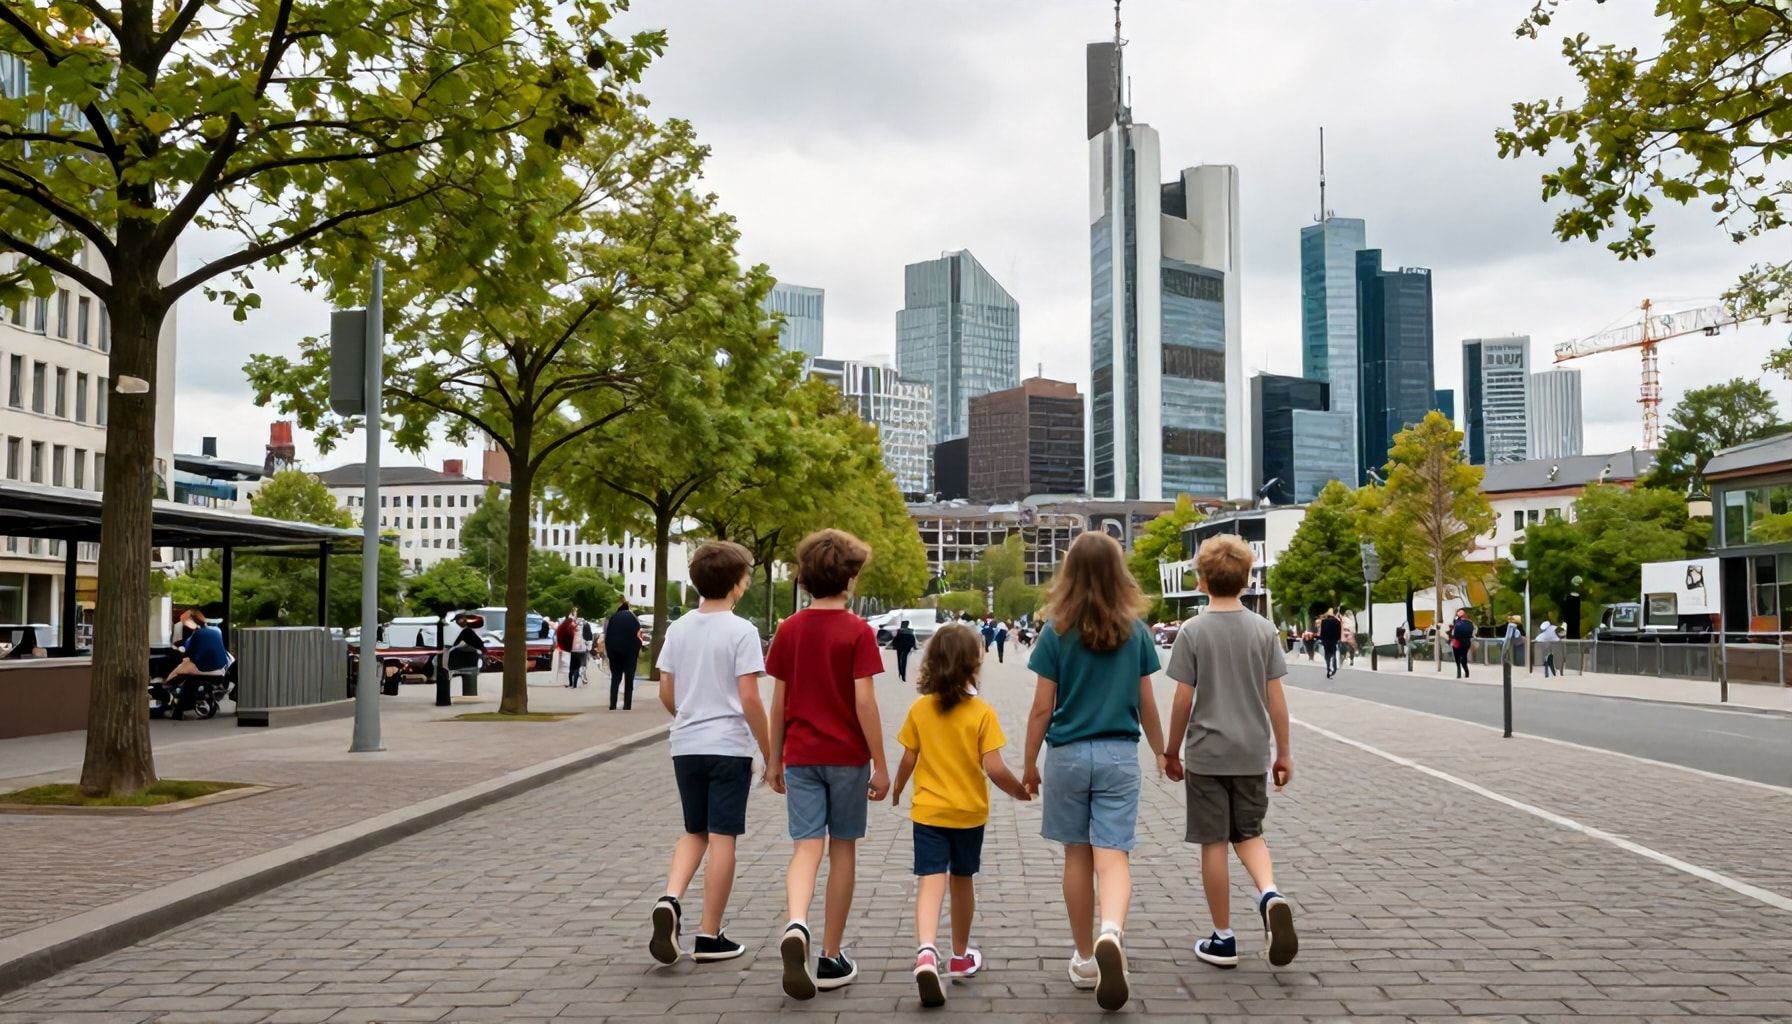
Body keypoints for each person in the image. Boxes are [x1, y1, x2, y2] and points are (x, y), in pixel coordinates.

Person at [1022, 532, 1168, 1012]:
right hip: (1119, 755)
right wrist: (1164, 751)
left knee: (1076, 857)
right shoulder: (1137, 630)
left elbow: (1042, 709)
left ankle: (1086, 957)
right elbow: (1146, 700)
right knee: (1114, 855)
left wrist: (1028, 763)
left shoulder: (1055, 630)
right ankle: (1112, 932)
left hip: (1066, 756)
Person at [1163, 535, 1299, 972]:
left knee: (1214, 844)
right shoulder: (1264, 630)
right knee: (1250, 833)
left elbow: (1183, 699)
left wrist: (1170, 750)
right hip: (1252, 751)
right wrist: (1284, 753)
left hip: (1206, 753)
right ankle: (1269, 893)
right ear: (1247, 580)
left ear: (1201, 581)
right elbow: (1276, 699)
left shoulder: (1193, 631)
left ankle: (1223, 937)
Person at [767, 529, 890, 999]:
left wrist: (774, 757)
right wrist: (880, 762)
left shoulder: (789, 629)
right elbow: (865, 702)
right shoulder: (858, 632)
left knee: (805, 848)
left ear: (803, 578)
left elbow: (778, 701)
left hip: (800, 755)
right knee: (843, 850)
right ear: (852, 577)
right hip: (846, 758)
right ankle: (831, 956)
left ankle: (797, 923)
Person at [890, 623, 1029, 1008]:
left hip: (929, 811)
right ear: (973, 665)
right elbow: (995, 768)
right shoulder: (982, 712)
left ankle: (925, 952)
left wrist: (899, 788)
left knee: (930, 881)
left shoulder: (920, 709)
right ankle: (960, 955)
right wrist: (1018, 790)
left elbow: (908, 756)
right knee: (963, 880)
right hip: (968, 813)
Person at [648, 541, 771, 967]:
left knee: (693, 831)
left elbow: (667, 689)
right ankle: (708, 933)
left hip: (685, 744)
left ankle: (670, 898)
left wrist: (686, 716)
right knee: (722, 838)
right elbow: (750, 698)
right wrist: (770, 751)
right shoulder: (742, 632)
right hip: (728, 745)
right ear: (737, 585)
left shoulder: (679, 629)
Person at [166, 609, 231, 720]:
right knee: (193, 680)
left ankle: (176, 706)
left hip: (202, 667)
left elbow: (188, 650)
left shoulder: (196, 634)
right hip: (220, 669)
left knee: (177, 674)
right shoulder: (216, 631)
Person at [605, 598, 644, 710]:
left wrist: (610, 654)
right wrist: (636, 651)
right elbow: (638, 637)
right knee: (629, 678)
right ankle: (627, 704)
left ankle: (613, 704)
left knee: (615, 678)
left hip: (615, 653)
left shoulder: (613, 618)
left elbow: (608, 637)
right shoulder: (634, 619)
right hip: (630, 653)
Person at [557, 607, 589, 689]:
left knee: (572, 668)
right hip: (581, 650)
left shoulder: (572, 628)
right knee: (577, 667)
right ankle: (574, 684)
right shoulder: (581, 627)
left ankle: (571, 684)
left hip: (574, 650)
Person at [1449, 609, 1475, 678]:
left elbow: (1453, 633)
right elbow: (1473, 632)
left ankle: (1458, 672)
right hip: (1466, 642)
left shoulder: (1456, 622)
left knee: (1457, 657)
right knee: (1464, 656)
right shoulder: (1470, 623)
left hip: (1457, 641)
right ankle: (1466, 671)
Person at [1318, 609, 1342, 678]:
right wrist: (1338, 639)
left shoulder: (1323, 622)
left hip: (1326, 640)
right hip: (1333, 640)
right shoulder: (1337, 622)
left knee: (1327, 653)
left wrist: (1322, 640)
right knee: (1333, 653)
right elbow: (1339, 632)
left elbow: (1322, 632)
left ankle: (1328, 666)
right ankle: (1333, 667)